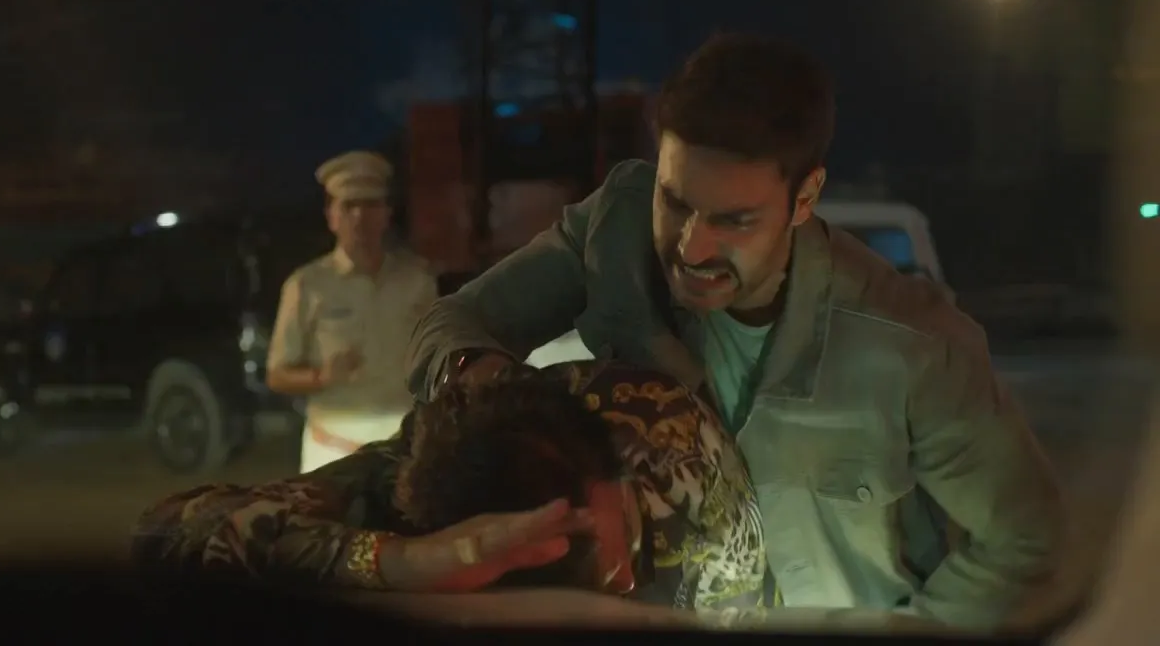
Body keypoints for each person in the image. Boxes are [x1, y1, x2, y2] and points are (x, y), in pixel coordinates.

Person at [403, 33, 1064, 629]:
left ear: (805, 198)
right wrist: (498, 398)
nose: (691, 248)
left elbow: (1024, 539)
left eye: (735, 221)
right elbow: (451, 324)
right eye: (675, 201)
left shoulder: (914, 346)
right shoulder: (615, 231)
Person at [130, 362, 777, 616]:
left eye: (624, 543)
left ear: (615, 475)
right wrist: (402, 562)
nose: (625, 582)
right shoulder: (414, 485)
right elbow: (167, 529)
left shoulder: (674, 455)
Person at [266, 150, 437, 473]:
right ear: (331, 216)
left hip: (406, 454)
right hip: (335, 455)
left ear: (386, 213)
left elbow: (436, 356)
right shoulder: (307, 286)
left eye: (371, 204)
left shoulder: (418, 280)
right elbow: (277, 375)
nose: (360, 216)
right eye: (348, 206)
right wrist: (321, 377)